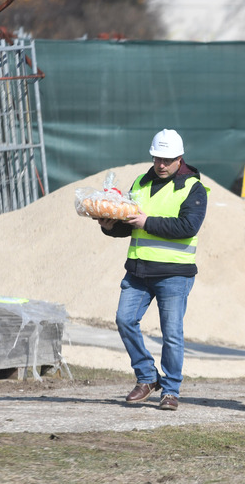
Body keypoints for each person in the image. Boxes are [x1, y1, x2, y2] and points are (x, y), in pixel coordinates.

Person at [96, 129, 208, 411]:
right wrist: (111, 226)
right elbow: (131, 223)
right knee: (124, 320)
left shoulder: (193, 188)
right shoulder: (140, 182)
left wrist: (146, 221)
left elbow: (187, 227)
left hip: (174, 274)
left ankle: (170, 390)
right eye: (157, 158)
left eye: (167, 160)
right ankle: (147, 377)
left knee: (171, 334)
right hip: (138, 272)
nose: (160, 164)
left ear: (179, 159)